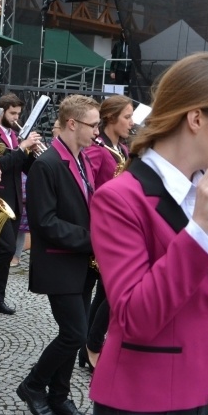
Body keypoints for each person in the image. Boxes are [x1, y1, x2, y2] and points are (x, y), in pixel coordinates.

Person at [90, 52, 208, 415]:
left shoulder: (203, 187)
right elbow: (136, 318)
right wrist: (201, 227)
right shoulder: (120, 197)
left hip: (205, 395)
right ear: (197, 118)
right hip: (141, 407)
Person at [16, 94, 99, 415]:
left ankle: (59, 398)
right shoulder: (47, 163)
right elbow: (45, 222)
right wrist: (95, 240)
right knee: (75, 334)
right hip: (60, 262)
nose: (98, 131)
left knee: (74, 332)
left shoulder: (81, 159)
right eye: (93, 125)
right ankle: (34, 385)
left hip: (79, 262)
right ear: (72, 124)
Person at [80, 94, 134, 372]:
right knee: (107, 295)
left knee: (107, 294)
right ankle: (90, 345)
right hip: (101, 233)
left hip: (115, 231)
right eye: (127, 116)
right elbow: (87, 191)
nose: (132, 122)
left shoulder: (121, 149)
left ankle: (88, 346)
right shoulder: (98, 149)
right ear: (110, 119)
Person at [0, 92, 41, 315]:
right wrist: (22, 148)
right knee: (7, 248)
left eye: (18, 114)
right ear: (2, 112)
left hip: (14, 200)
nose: (16, 117)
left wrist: (31, 154)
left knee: (5, 249)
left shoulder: (13, 136)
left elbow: (22, 168)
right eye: (12, 113)